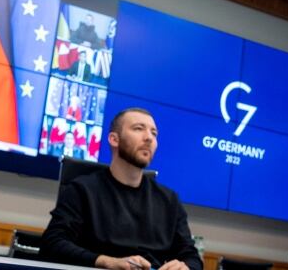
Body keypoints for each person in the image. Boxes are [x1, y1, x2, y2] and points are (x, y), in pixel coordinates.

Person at [40, 108, 202, 270]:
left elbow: (192, 257)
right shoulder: (82, 190)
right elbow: (52, 244)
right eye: (138, 129)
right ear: (114, 139)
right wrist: (105, 261)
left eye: (154, 133)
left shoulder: (169, 200)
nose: (148, 138)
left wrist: (185, 267)